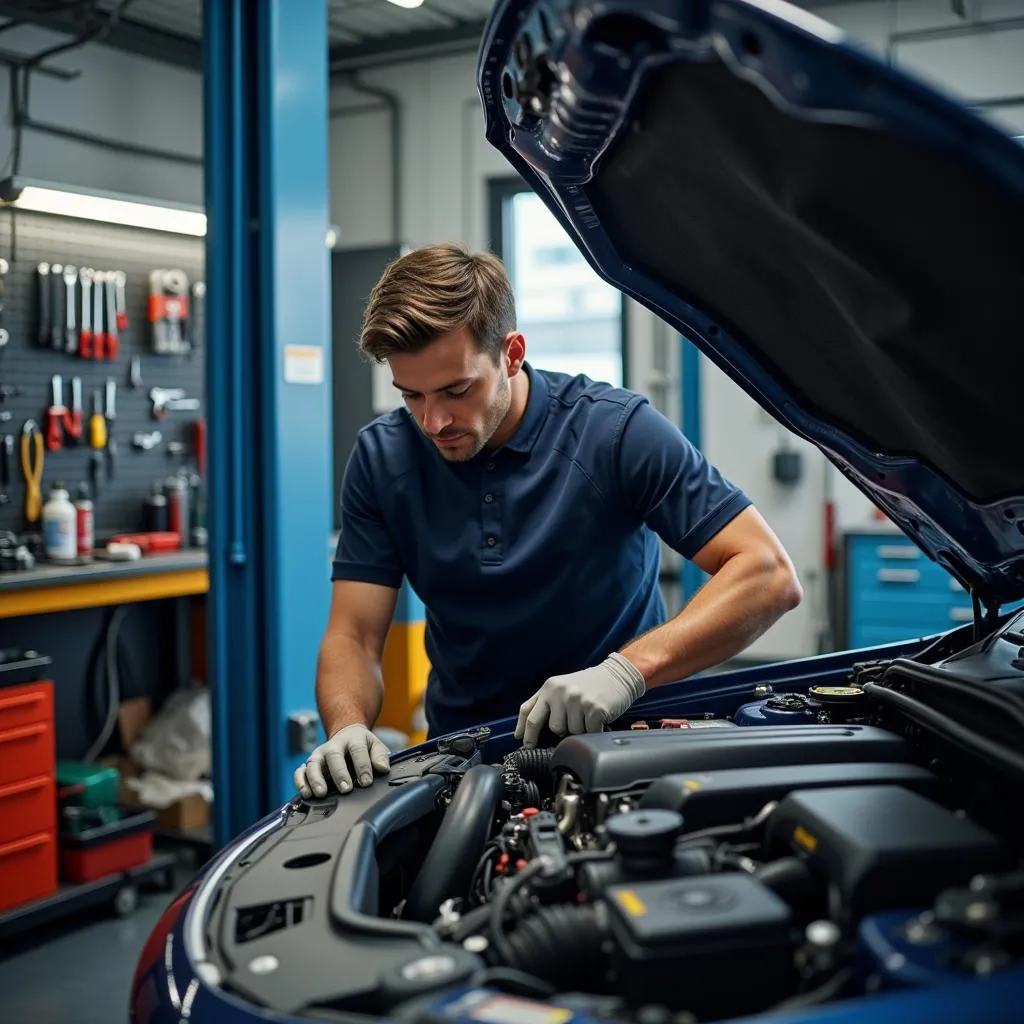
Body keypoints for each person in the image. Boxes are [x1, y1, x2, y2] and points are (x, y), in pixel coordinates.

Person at [294, 242, 802, 799]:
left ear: (511, 353)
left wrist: (624, 673)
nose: (434, 421)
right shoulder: (382, 457)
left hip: (627, 741)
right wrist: (347, 727)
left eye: (456, 390)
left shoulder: (614, 432)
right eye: (411, 395)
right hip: (468, 755)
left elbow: (767, 574)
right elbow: (354, 635)